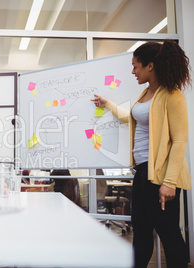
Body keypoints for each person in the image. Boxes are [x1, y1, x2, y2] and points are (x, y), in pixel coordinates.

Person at [91, 40, 191, 268]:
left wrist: (169, 182)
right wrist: (107, 104)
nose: (133, 71)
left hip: (163, 176)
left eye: (136, 66)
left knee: (169, 235)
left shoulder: (172, 95)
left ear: (151, 66)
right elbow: (132, 119)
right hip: (143, 172)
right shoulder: (146, 93)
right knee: (141, 234)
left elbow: (179, 141)